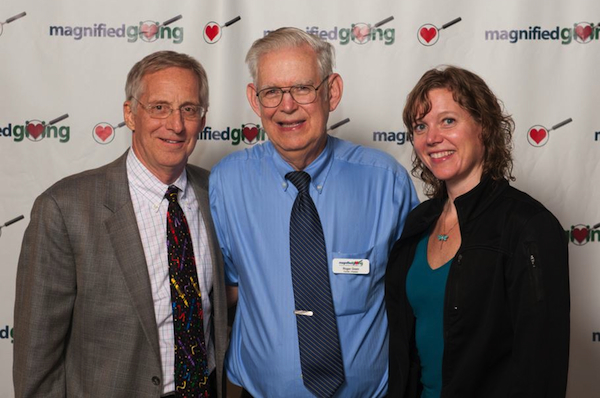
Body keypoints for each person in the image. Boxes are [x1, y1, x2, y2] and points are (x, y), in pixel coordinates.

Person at [209, 27, 419, 398]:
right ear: (255, 101)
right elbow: (225, 288)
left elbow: (415, 298)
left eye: (303, 88)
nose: (287, 106)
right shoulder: (227, 182)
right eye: (272, 91)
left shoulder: (387, 182)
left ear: (331, 91)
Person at [14, 51, 228, 398]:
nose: (175, 124)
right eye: (159, 107)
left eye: (189, 109)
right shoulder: (64, 208)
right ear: (130, 114)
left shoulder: (216, 193)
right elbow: (37, 357)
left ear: (202, 119)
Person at [385, 66, 570, 398]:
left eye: (448, 121)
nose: (432, 138)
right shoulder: (419, 222)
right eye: (421, 126)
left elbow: (542, 368)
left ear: (483, 125)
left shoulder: (527, 225)